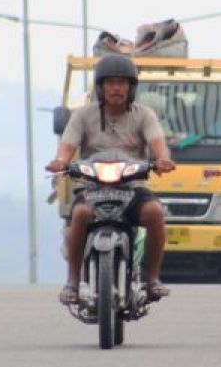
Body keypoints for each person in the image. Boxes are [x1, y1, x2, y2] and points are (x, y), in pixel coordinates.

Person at [45, 53, 176, 306]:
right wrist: (61, 162)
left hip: (132, 188)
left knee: (156, 213)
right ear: (100, 87)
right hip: (92, 187)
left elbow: (158, 144)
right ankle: (72, 281)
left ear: (131, 88)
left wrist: (162, 159)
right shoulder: (83, 115)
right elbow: (67, 146)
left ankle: (151, 279)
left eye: (123, 83)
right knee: (80, 215)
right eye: (111, 83)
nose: (117, 88)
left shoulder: (144, 115)